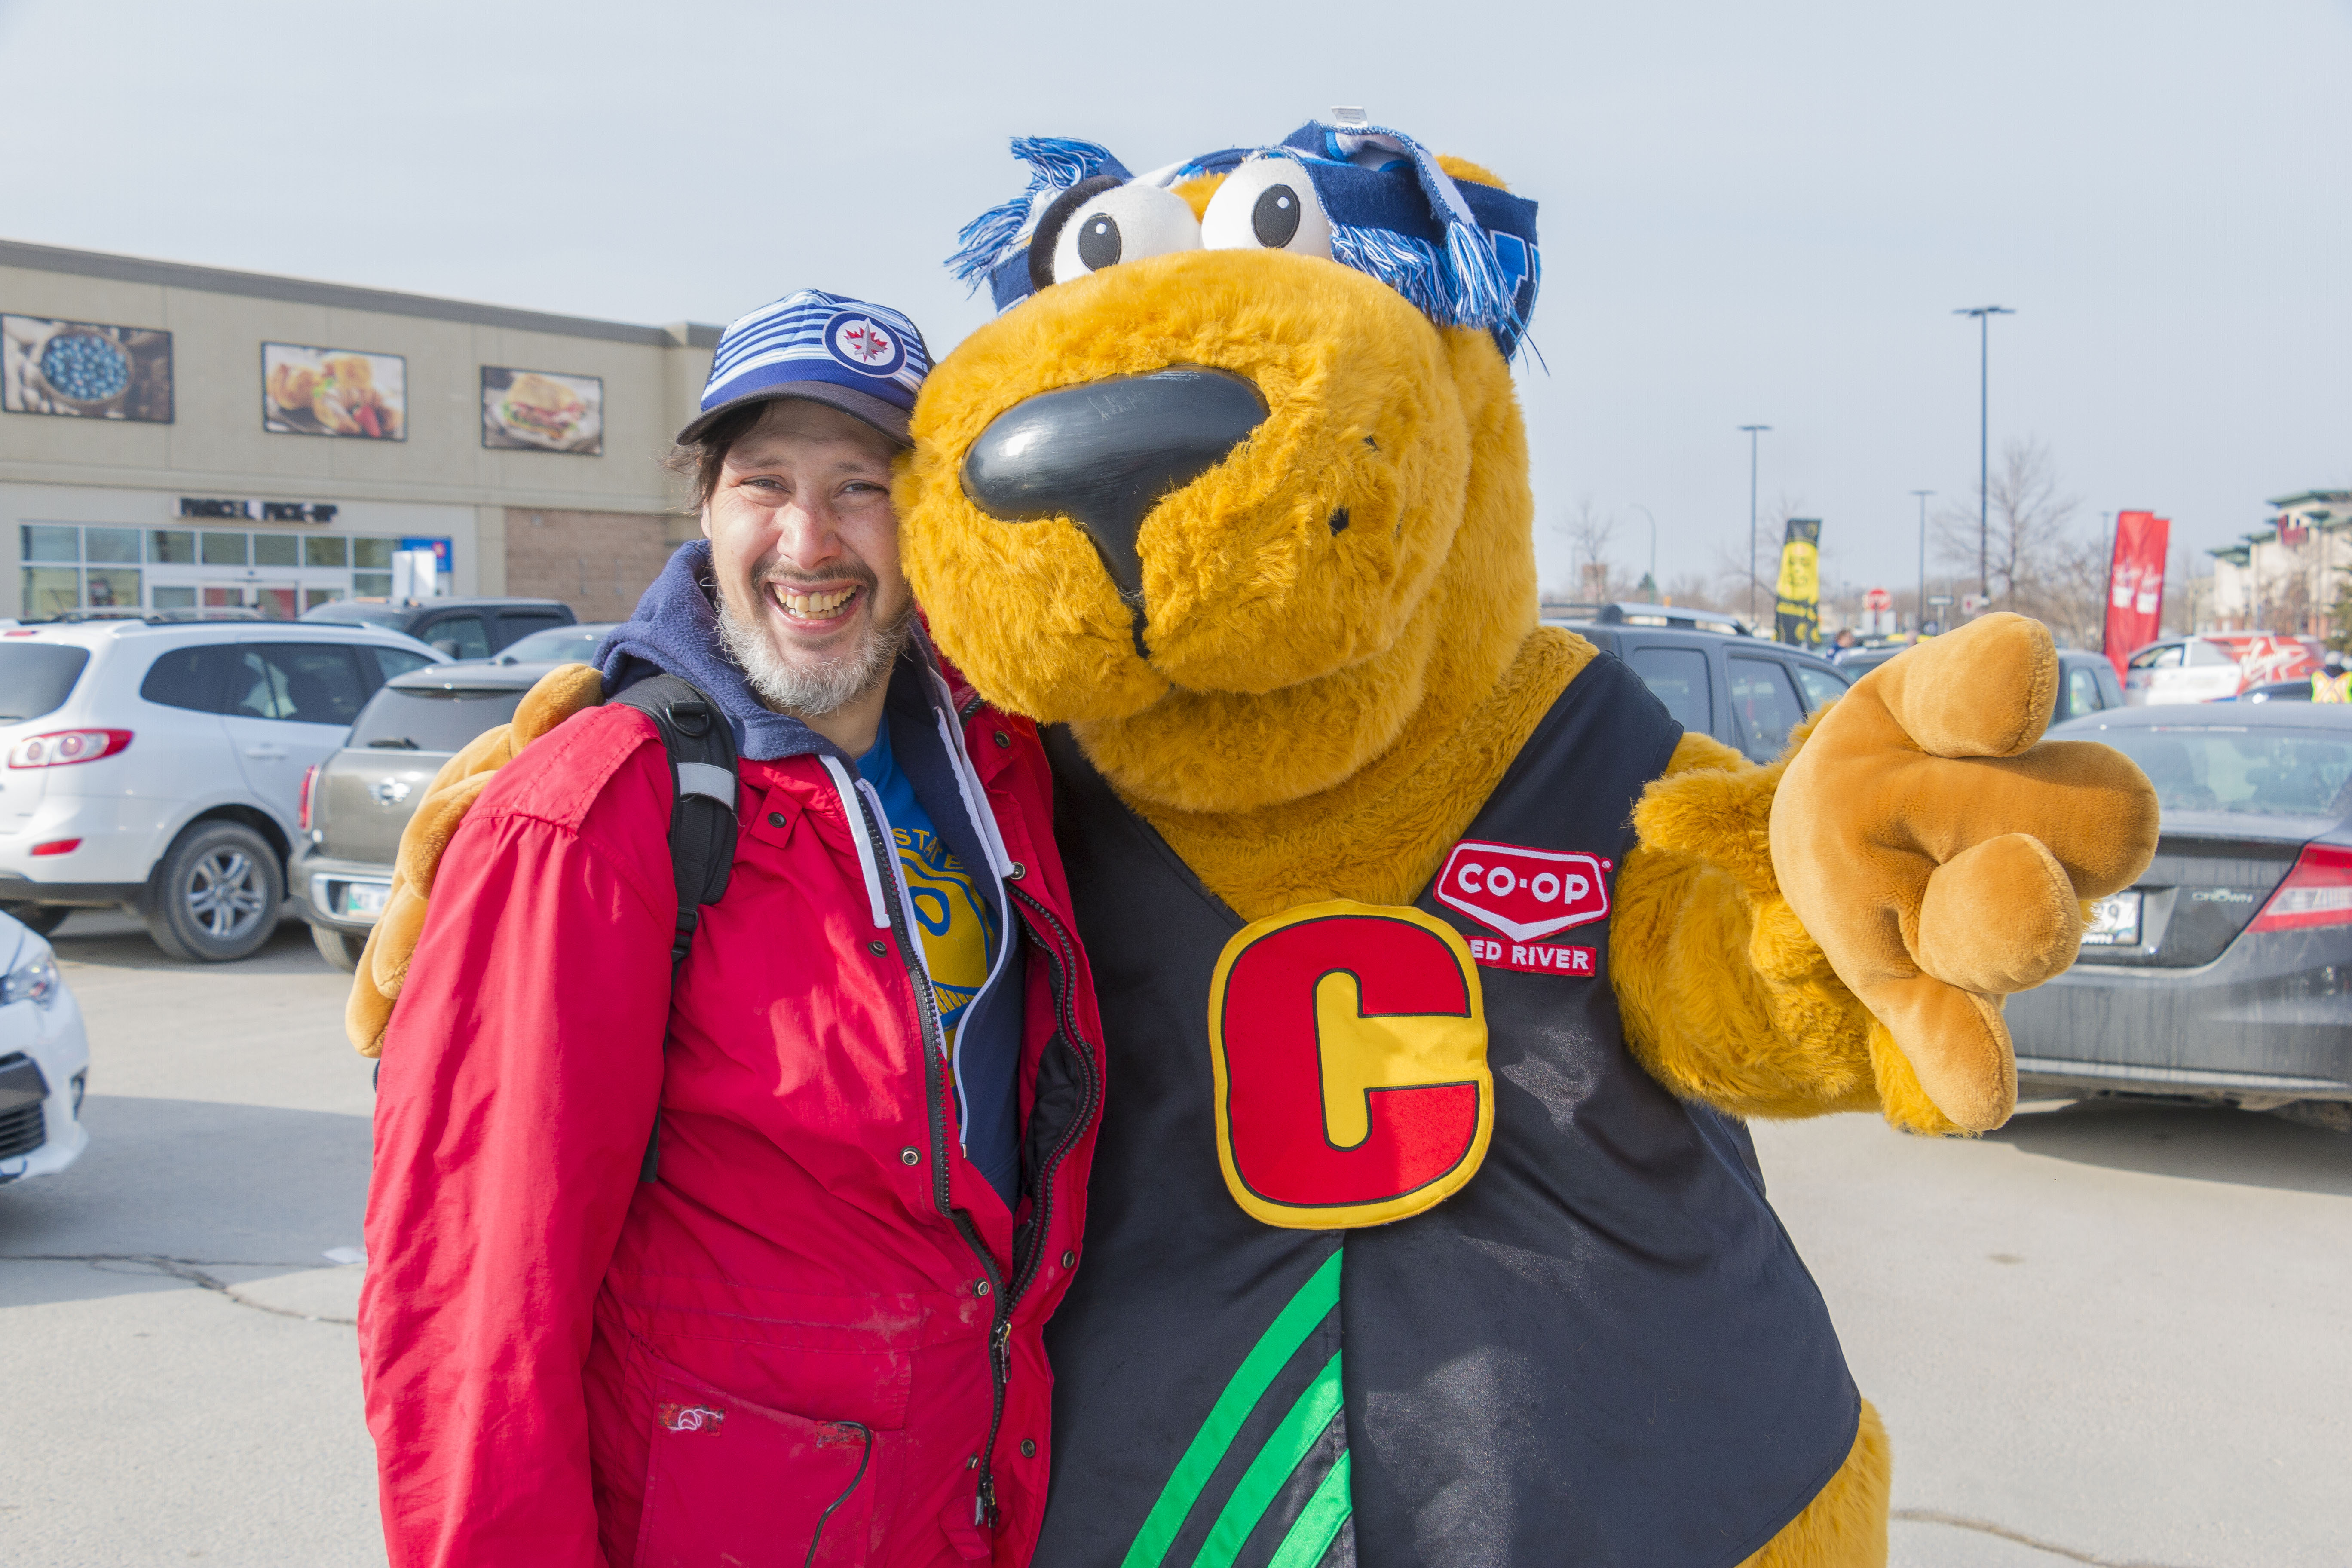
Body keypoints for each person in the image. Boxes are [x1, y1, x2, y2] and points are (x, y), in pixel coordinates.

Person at [358, 291, 1107, 1568]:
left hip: (968, 1503)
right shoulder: (598, 812)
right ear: (705, 508)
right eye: (765, 484)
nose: (809, 541)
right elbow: (475, 1301)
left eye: (862, 487)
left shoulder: (1001, 767)